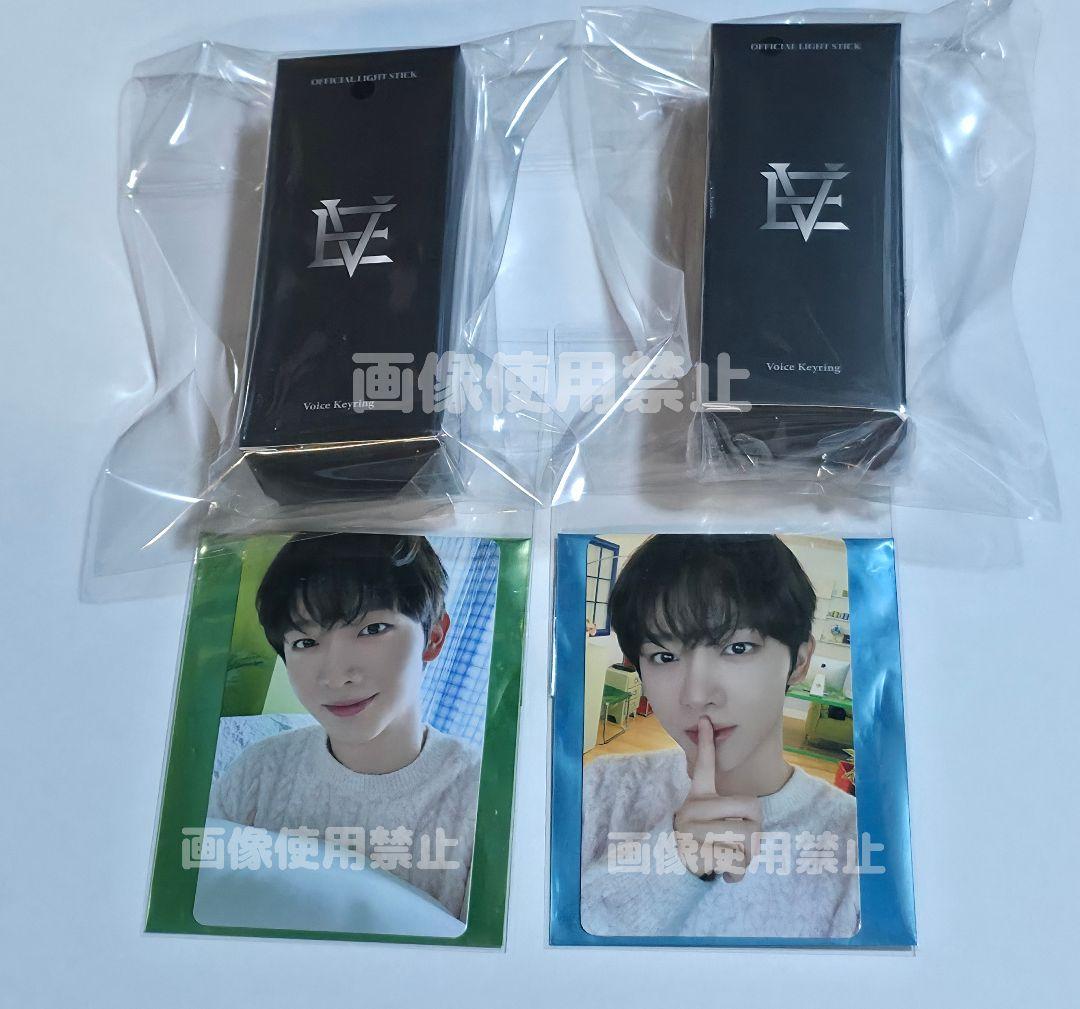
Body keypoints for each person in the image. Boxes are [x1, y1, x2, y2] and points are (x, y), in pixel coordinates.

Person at [581, 534, 859, 938]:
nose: (696, 695)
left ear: (800, 661)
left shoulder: (855, 843)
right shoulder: (598, 790)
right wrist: (670, 863)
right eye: (664, 656)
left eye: (737, 648)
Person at [208, 533, 481, 921]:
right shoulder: (257, 773)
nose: (336, 676)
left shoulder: (482, 800)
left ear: (434, 637)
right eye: (305, 643)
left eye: (372, 629)